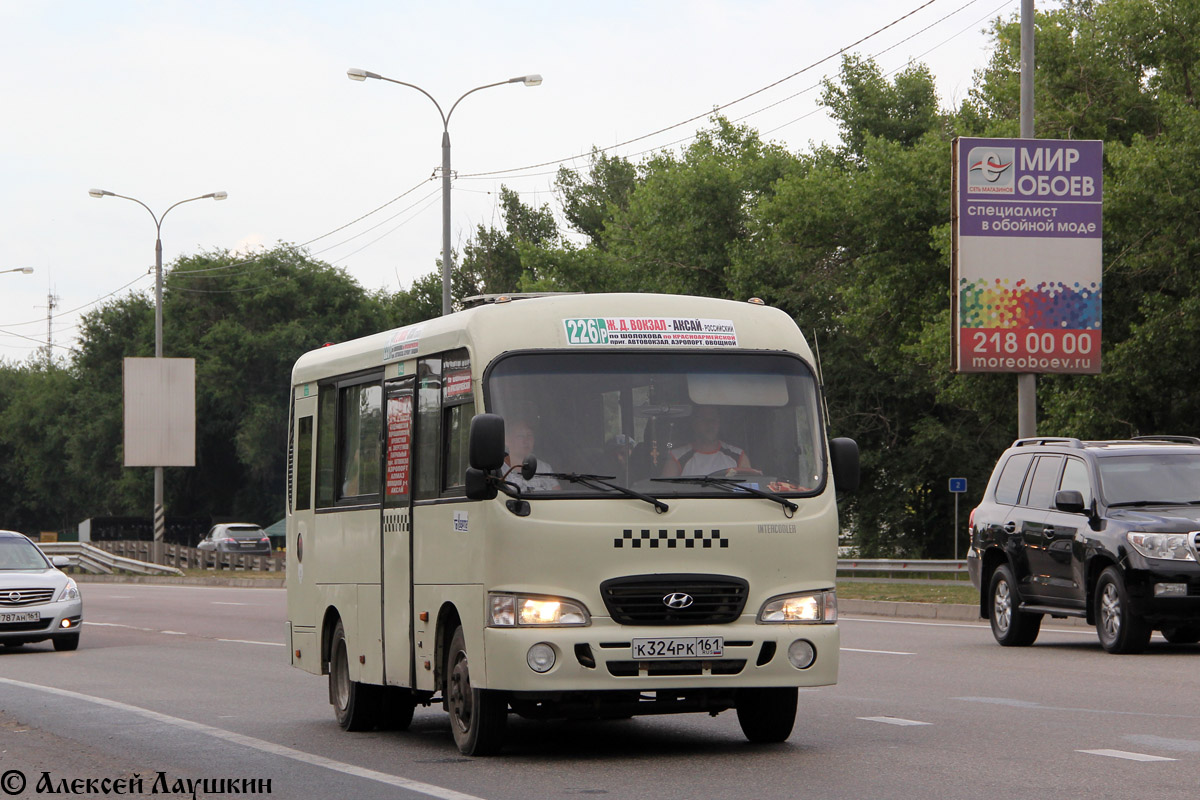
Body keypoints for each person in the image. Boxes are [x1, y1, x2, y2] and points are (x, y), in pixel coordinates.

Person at [661, 405, 752, 477]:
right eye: (704, 420)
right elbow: (666, 492)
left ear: (719, 423)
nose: (710, 424)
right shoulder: (676, 458)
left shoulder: (739, 456)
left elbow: (750, 489)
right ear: (694, 423)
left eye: (713, 420)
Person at [504, 418, 560, 491]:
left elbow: (558, 497)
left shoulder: (544, 468)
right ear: (507, 441)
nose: (526, 440)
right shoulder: (498, 470)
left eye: (529, 435)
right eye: (520, 436)